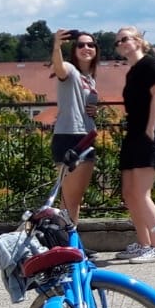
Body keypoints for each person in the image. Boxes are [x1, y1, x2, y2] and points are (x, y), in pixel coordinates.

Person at [115, 25, 155, 262]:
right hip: (134, 134)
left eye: (125, 39)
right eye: (118, 42)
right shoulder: (132, 71)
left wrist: (150, 128)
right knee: (129, 192)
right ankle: (143, 242)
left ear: (138, 41)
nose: (121, 44)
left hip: (149, 134)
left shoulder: (151, 65)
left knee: (141, 192)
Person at [50, 29, 100, 220]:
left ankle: (71, 244)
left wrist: (94, 111)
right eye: (80, 45)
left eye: (90, 45)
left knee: (75, 198)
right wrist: (56, 46)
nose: (86, 48)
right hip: (69, 136)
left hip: (86, 137)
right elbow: (59, 69)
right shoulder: (71, 70)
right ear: (74, 49)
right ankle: (68, 245)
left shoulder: (90, 78)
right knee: (70, 198)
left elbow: (84, 104)